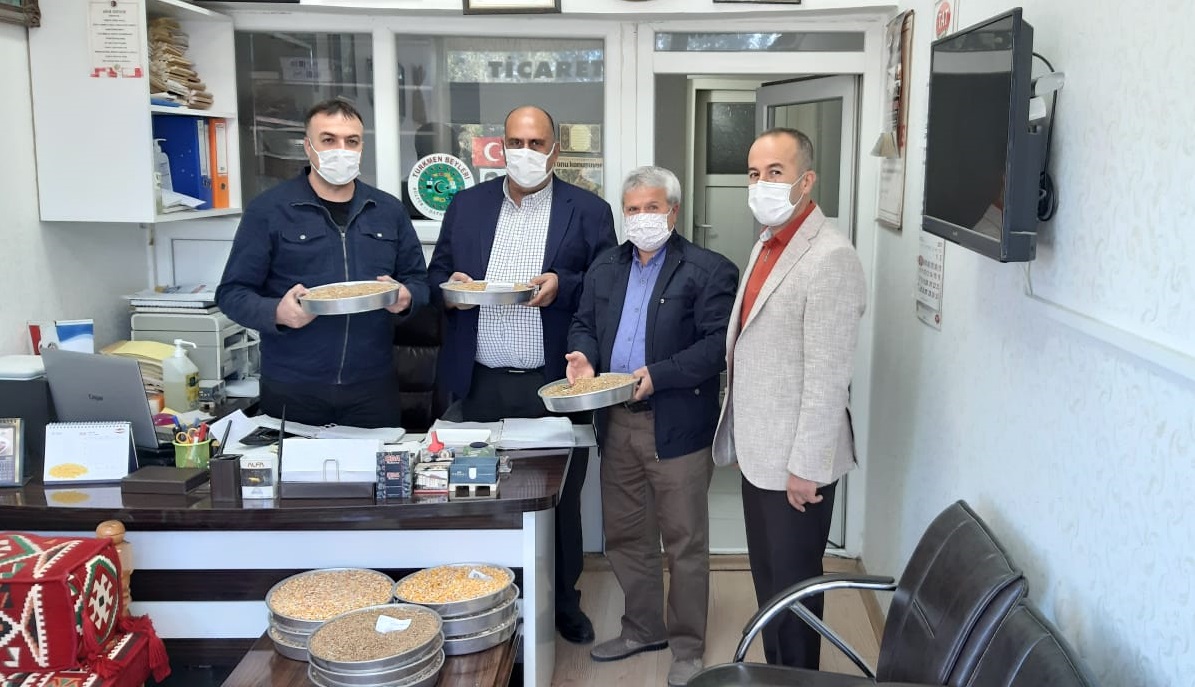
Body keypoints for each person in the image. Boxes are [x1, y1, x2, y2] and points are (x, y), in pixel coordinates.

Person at [427, 105, 617, 643]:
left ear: (555, 150)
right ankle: (486, 601)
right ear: (500, 146)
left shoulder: (589, 210)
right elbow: (438, 276)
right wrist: (453, 290)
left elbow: (606, 285)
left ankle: (563, 605)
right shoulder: (466, 206)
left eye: (536, 143)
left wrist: (562, 282)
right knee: (478, 496)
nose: (525, 152)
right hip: (480, 382)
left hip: (551, 384)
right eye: (516, 142)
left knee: (559, 502)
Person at [567, 166, 737, 686]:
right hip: (616, 421)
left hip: (676, 425)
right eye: (633, 209)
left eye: (652, 208)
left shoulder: (709, 270)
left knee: (683, 541)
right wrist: (583, 356)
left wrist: (658, 375)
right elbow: (583, 323)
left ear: (674, 212)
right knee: (625, 534)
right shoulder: (605, 267)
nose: (642, 218)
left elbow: (717, 346)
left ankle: (687, 647)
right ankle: (643, 628)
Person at [712, 128, 867, 670]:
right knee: (770, 587)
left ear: (807, 180)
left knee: (795, 595)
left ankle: (798, 678)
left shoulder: (831, 257)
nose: (762, 185)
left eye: (775, 173)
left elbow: (828, 377)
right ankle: (775, 675)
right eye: (754, 174)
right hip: (761, 453)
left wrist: (806, 468)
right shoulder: (767, 242)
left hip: (799, 467)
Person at [217, 98, 429, 429]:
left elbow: (419, 281)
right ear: (308, 146)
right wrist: (277, 312)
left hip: (372, 387)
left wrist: (406, 298)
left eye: (351, 141)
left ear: (361, 148)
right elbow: (232, 293)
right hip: (293, 387)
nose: (341, 150)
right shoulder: (269, 210)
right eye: (328, 140)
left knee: (377, 465)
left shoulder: (388, 210)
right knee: (292, 466)